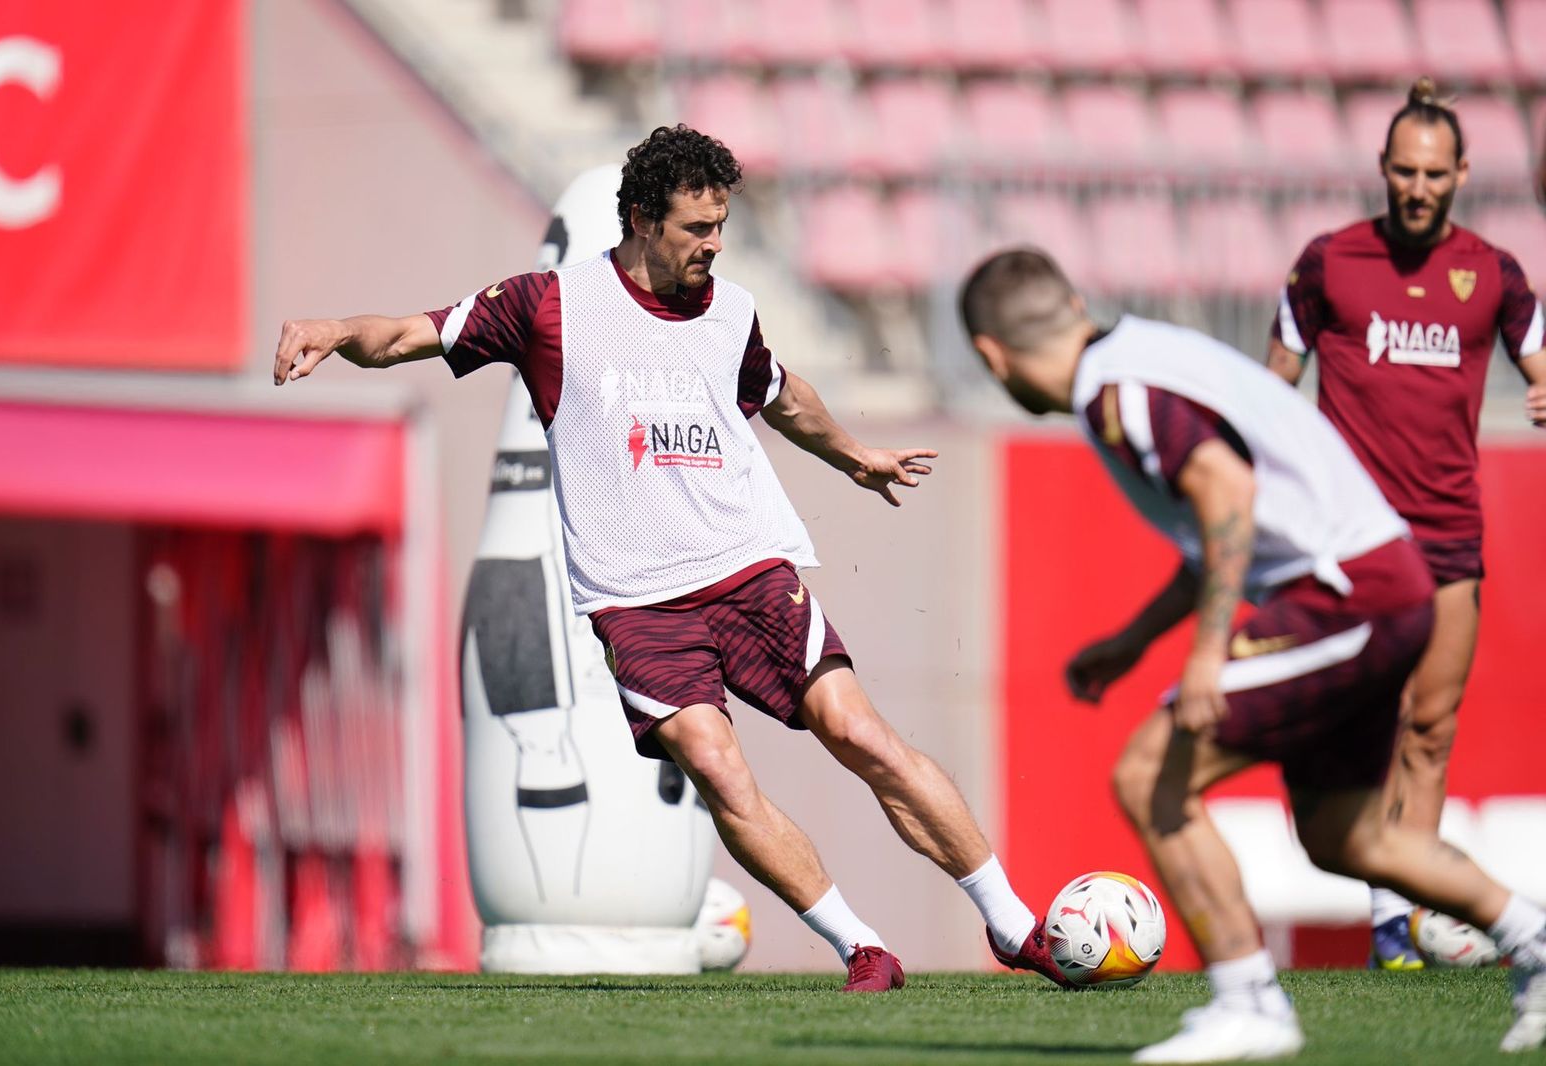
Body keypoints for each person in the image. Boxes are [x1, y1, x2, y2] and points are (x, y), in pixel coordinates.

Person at [272, 126, 1065, 992]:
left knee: (858, 733)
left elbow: (782, 395)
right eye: (697, 228)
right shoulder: (550, 305)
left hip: (748, 569)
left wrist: (854, 456)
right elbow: (404, 336)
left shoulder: (732, 311)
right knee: (718, 769)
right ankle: (861, 948)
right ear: (644, 220)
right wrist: (335, 329)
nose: (714, 244)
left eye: (721, 225)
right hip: (637, 604)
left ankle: (1013, 923)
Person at [960, 246, 1546, 1061]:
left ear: (992, 355)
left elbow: (1226, 494)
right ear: (1074, 306)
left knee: (1148, 778)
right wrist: (1134, 641)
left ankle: (1250, 1003)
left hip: (1345, 592)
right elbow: (1216, 519)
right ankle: (1535, 941)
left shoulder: (1115, 394)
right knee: (1347, 838)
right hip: (1381, 583)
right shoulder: (1143, 355)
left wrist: (1206, 655)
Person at [1267, 77, 1546, 969]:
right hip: (1351, 536)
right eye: (1403, 171)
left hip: (1450, 535)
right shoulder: (1328, 263)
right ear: (1382, 168)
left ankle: (1402, 923)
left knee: (1430, 727)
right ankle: (1391, 904)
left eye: (1433, 173)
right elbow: (1271, 387)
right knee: (1362, 722)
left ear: (1461, 173)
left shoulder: (1495, 274)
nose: (1417, 188)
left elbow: (1540, 360)